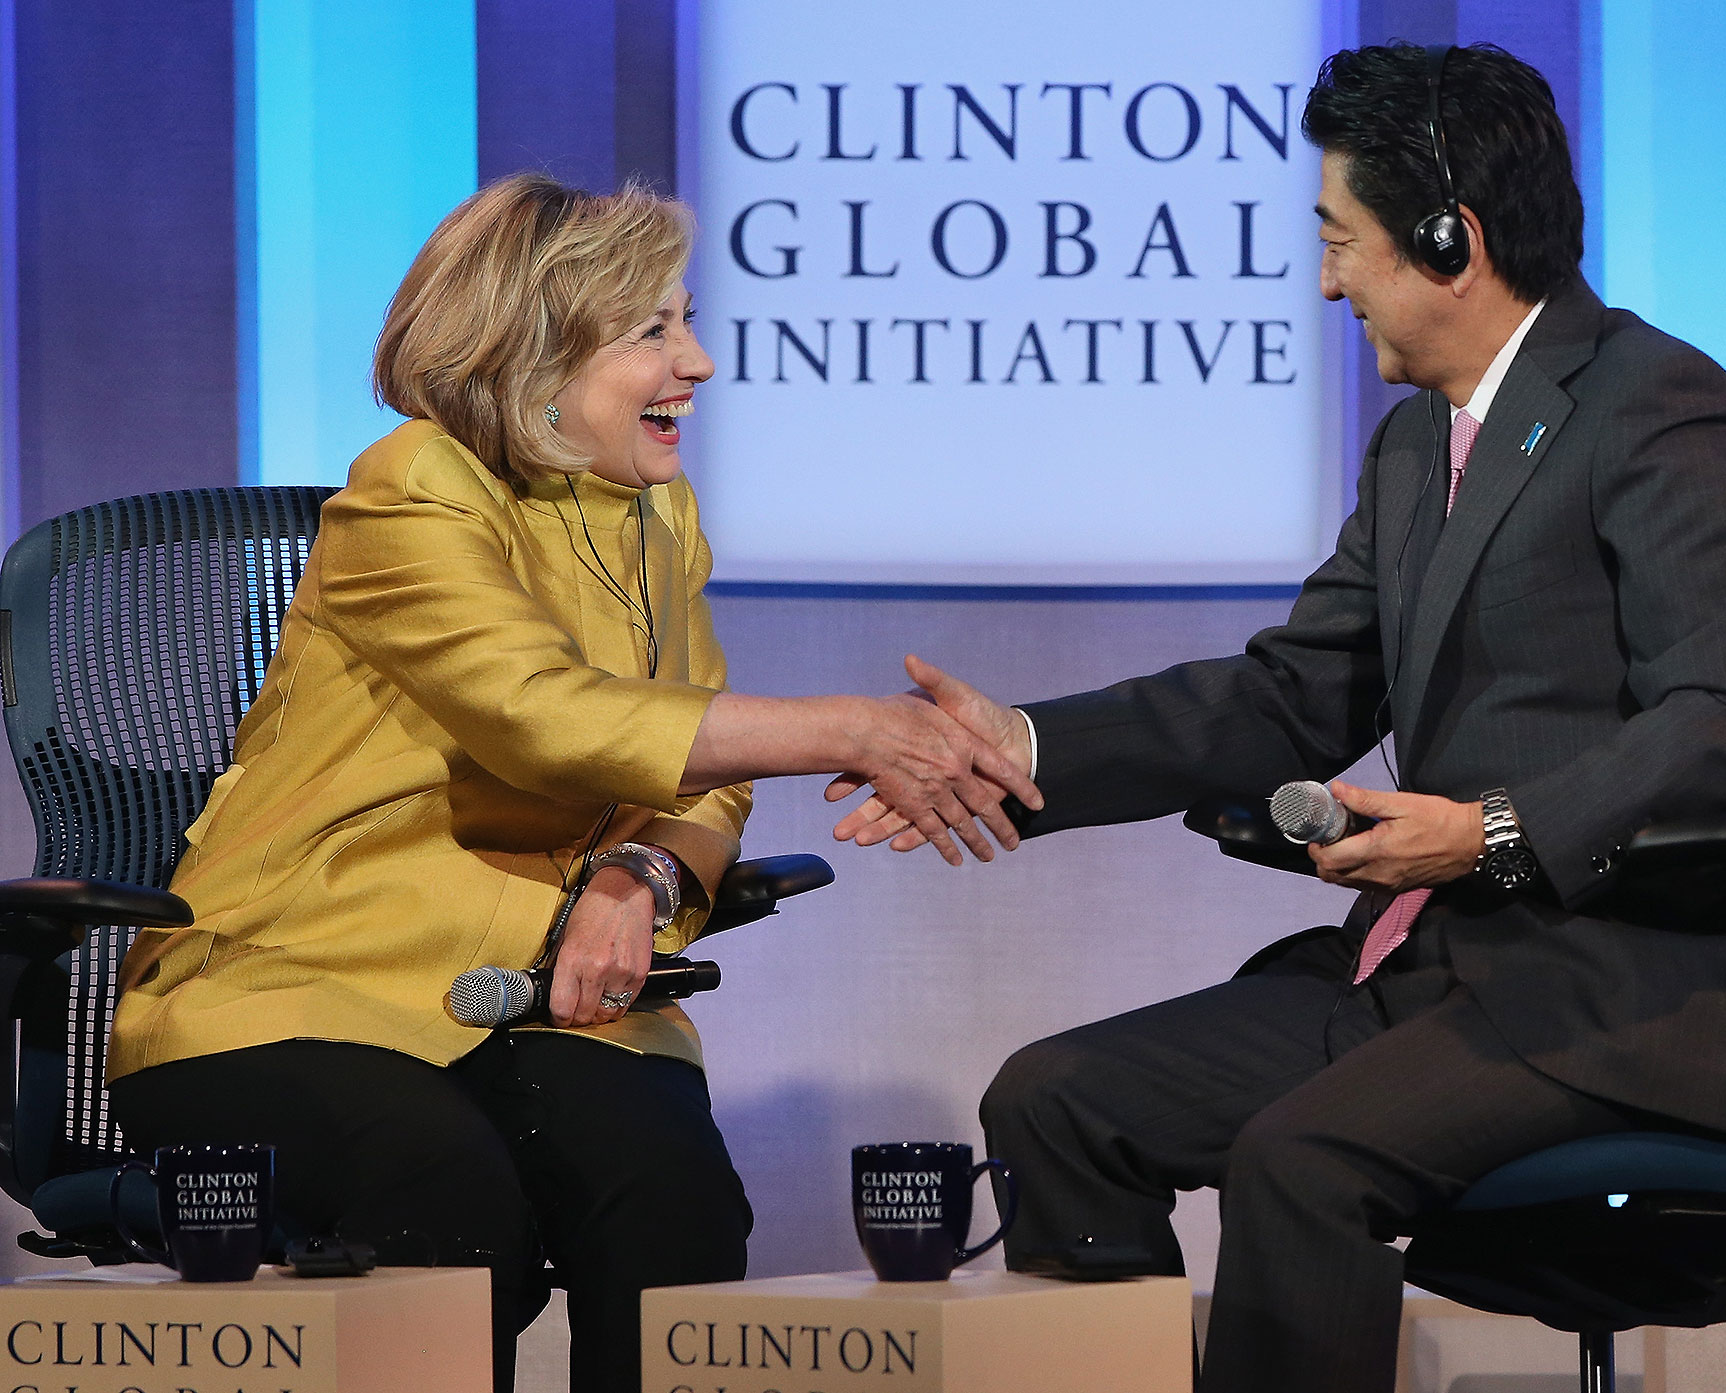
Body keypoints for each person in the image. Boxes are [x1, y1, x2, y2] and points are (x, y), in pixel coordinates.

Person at [836, 43, 1726, 1393]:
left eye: (1339, 239)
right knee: (1056, 1099)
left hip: (1627, 990)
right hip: (1432, 980)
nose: (1324, 279)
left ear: (1447, 239)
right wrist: (1024, 746)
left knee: (1300, 1161)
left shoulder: (1658, 408)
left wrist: (1491, 834)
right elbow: (1291, 695)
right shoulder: (1420, 444)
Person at [106, 173, 1039, 1393]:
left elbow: (703, 779)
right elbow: (543, 717)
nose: (696, 361)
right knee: (448, 1204)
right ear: (528, 350)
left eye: (686, 320)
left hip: (534, 990)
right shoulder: (412, 486)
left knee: (671, 1207)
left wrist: (637, 873)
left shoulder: (654, 512)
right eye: (650, 330)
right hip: (300, 988)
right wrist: (855, 725)